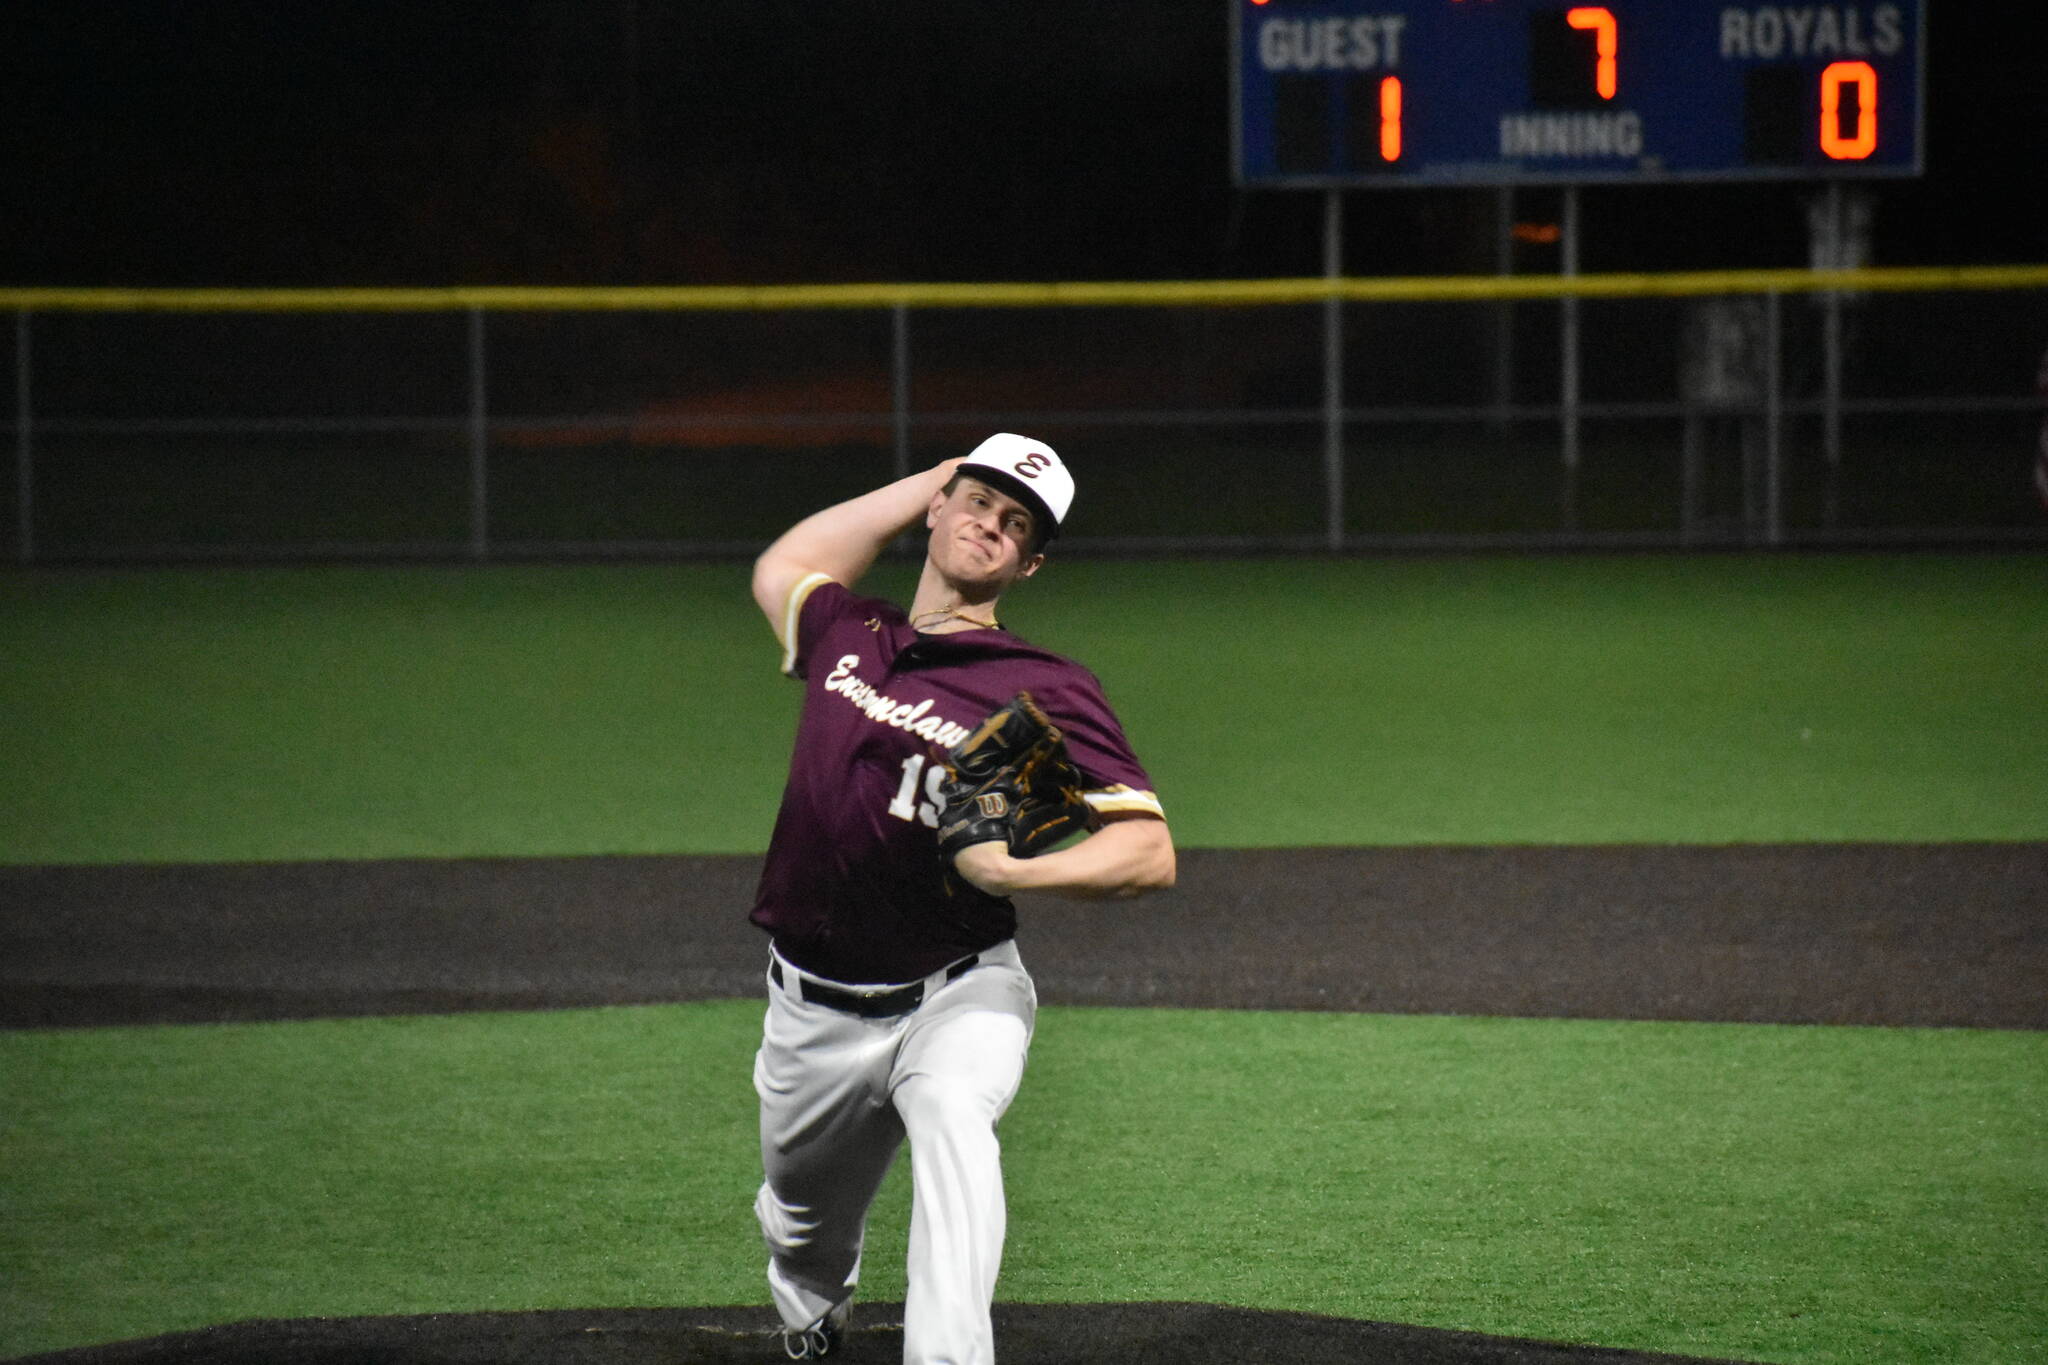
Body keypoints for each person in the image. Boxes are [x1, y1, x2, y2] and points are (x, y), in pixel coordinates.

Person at [745, 433, 1176, 1363]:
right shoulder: (851, 633)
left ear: (1029, 563)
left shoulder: (1045, 686)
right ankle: (816, 1306)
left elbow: (1148, 849)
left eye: (1017, 523)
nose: (991, 523)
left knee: (951, 1114)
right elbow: (785, 563)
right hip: (812, 1010)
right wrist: (928, 481)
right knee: (800, 1227)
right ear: (940, 507)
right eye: (979, 500)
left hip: (959, 986)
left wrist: (1019, 875)